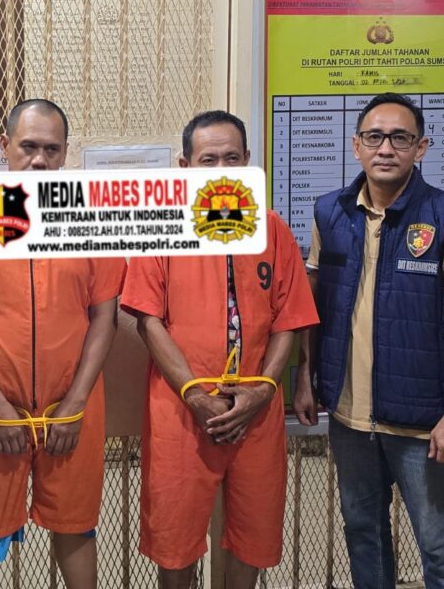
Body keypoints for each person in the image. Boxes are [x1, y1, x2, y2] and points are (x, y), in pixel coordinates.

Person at [0, 99, 125, 589]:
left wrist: (75, 403)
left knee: (76, 526)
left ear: (66, 153)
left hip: (72, 409)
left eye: (52, 149)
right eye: (28, 146)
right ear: (4, 145)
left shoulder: (89, 219)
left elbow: (105, 317)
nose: (39, 160)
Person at [293, 92, 444, 589]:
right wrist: (304, 376)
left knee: (441, 548)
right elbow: (314, 303)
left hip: (423, 424)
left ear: (420, 147)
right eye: (375, 137)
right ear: (356, 144)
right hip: (349, 417)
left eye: (400, 138)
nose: (386, 148)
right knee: (363, 533)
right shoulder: (330, 212)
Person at [121, 110, 319, 589]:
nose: (221, 168)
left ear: (247, 161)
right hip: (181, 409)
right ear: (185, 166)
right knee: (175, 538)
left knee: (254, 532)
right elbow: (148, 321)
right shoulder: (161, 228)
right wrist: (193, 393)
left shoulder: (273, 229)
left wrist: (265, 390)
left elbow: (288, 319)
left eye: (232, 158)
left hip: (258, 408)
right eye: (208, 159)